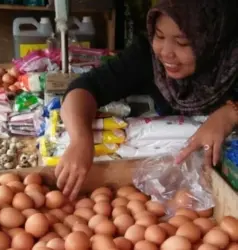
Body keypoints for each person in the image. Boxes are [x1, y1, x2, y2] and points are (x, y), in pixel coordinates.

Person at [55, 0, 238, 200]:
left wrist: (229, 115)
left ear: (213, 39)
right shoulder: (146, 57)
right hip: (179, 181)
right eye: (159, 36)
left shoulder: (232, 60)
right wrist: (81, 140)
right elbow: (84, 89)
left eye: (183, 42)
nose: (166, 52)